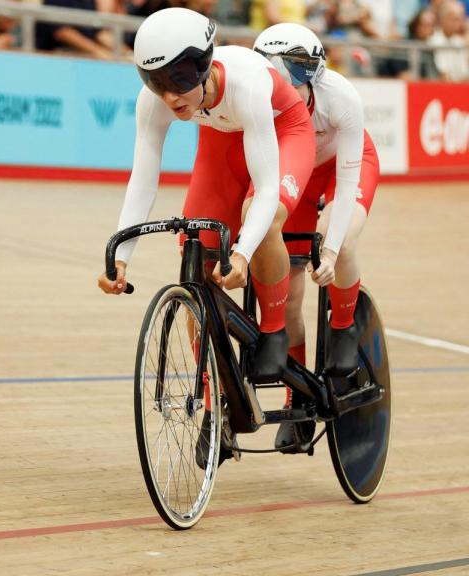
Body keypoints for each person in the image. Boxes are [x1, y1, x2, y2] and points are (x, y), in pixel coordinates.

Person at [96, 8, 317, 463]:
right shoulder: (156, 101)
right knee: (195, 256)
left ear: (203, 65)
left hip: (282, 131)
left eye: (178, 79)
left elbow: (266, 187)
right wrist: (121, 255)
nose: (168, 95)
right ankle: (216, 408)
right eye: (154, 82)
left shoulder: (247, 83)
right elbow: (143, 178)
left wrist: (243, 252)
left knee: (262, 218)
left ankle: (274, 332)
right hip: (222, 142)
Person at [253, 23, 381, 453]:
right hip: (298, 175)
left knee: (340, 241)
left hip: (344, 168)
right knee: (290, 299)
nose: (288, 85)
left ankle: (343, 328)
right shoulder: (256, 99)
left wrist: (327, 250)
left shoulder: (340, 97)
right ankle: (299, 395)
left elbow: (346, 185)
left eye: (297, 75)